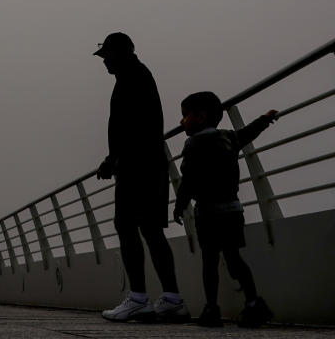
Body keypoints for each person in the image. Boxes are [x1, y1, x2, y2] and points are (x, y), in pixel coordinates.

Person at [93, 32, 189, 322]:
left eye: (106, 55)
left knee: (125, 225)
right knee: (150, 229)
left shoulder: (132, 77)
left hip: (136, 165)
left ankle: (138, 299)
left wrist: (114, 159)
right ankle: (172, 299)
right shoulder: (137, 75)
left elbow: (132, 126)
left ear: (121, 52)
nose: (104, 62)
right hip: (150, 163)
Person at [173, 91, 277, 327]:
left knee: (209, 262)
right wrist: (265, 119)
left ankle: (211, 308)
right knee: (234, 259)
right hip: (232, 210)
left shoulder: (192, 145)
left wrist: (180, 206)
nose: (181, 122)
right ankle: (253, 304)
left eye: (184, 116)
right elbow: (249, 132)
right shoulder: (229, 137)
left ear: (199, 117)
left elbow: (188, 181)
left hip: (207, 213)